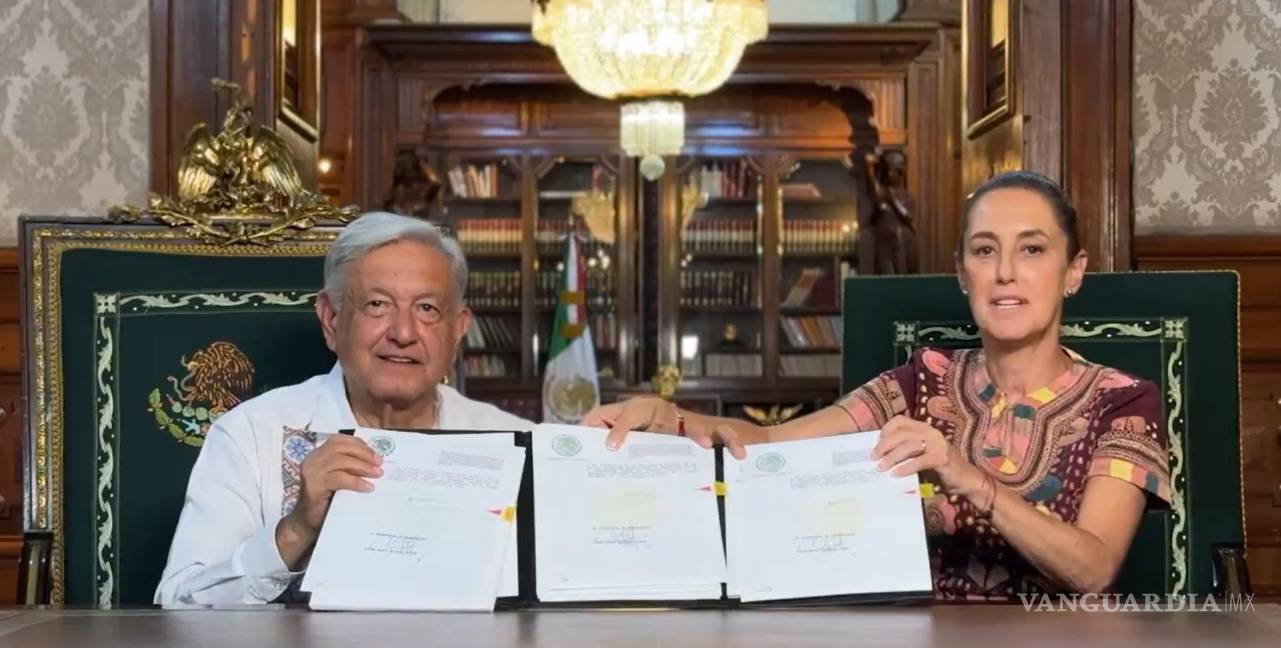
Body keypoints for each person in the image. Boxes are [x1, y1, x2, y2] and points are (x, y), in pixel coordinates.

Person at [583, 171, 1169, 600]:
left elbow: (1093, 570)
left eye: (1033, 250)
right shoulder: (921, 381)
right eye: (985, 251)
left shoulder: (1122, 401)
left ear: (1073, 272)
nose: (1006, 272)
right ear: (963, 274)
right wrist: (671, 418)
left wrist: (971, 479)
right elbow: (771, 445)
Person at [155, 212, 533, 606]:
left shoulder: (517, 444)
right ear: (331, 320)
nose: (403, 333)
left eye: (427, 308)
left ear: (457, 329)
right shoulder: (251, 434)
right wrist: (296, 530)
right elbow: (180, 606)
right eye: (377, 304)